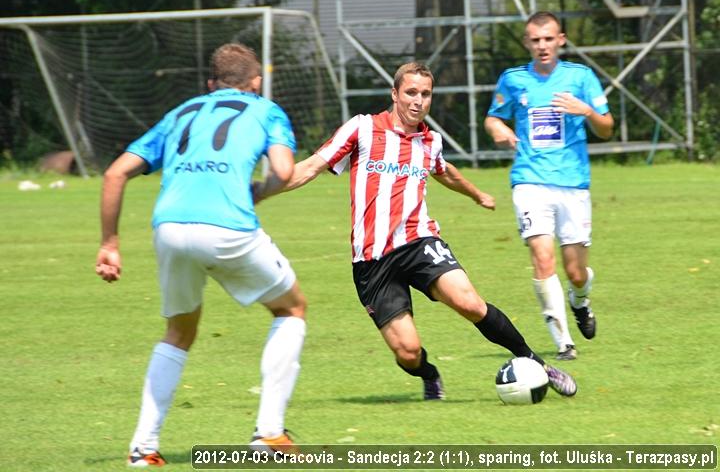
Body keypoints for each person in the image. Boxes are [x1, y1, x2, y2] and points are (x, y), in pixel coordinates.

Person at [258, 61, 577, 402]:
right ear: (394, 94)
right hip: (371, 260)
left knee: (469, 302)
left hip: (418, 241)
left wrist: (477, 194)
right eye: (411, 92)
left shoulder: (430, 142)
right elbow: (309, 168)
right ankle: (429, 373)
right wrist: (257, 192)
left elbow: (446, 172)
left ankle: (536, 363)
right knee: (407, 352)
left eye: (425, 94)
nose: (418, 101)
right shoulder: (362, 129)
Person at [96, 43, 306, 467]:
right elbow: (283, 171)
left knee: (179, 332)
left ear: (211, 84)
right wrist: (259, 194)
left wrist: (110, 243)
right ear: (256, 82)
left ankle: (143, 448)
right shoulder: (265, 110)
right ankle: (268, 434)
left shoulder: (180, 112)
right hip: (228, 226)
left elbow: (116, 172)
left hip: (169, 227)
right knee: (291, 308)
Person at [484, 12, 614, 360]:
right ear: (527, 43)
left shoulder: (580, 77)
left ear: (561, 40)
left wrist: (586, 111)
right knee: (543, 260)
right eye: (535, 40)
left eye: (548, 39)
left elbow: (606, 128)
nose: (542, 46)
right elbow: (493, 116)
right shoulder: (513, 80)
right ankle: (563, 343)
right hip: (529, 181)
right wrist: (499, 129)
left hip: (573, 184)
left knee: (574, 271)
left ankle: (580, 300)